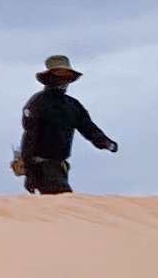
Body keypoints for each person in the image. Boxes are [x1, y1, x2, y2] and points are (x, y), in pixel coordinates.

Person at [15, 55, 118, 195]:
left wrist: (106, 143)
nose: (62, 81)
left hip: (60, 167)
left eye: (66, 77)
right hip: (41, 166)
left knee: (58, 205)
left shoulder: (72, 105)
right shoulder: (37, 103)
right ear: (49, 78)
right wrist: (29, 171)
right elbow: (30, 136)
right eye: (58, 76)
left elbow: (88, 128)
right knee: (64, 199)